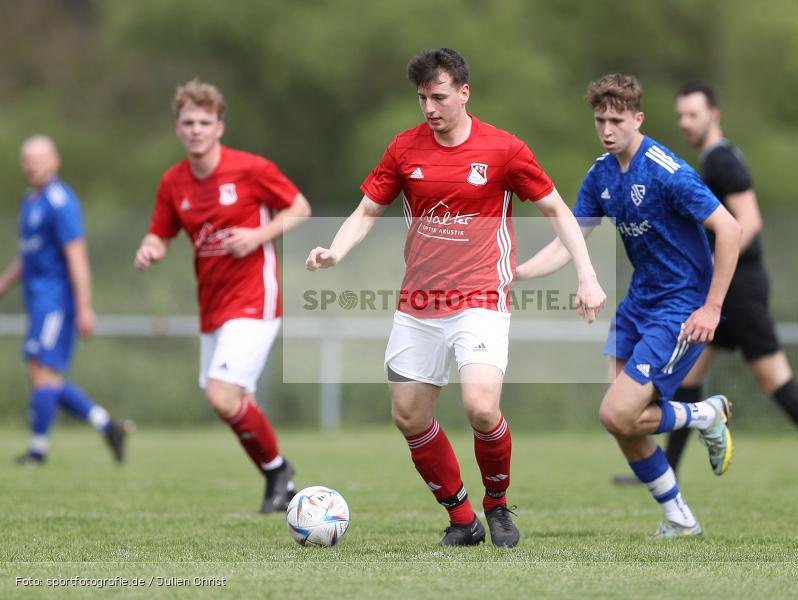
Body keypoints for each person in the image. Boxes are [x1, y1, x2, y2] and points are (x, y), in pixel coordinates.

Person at [306, 48, 605, 547]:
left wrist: (587, 275)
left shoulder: (504, 150)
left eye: (438, 96)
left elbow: (557, 209)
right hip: (418, 304)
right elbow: (365, 212)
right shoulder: (404, 149)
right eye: (422, 98)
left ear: (464, 93)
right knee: (409, 415)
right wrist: (336, 251)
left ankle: (498, 504)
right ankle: (463, 519)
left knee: (482, 408)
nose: (429, 107)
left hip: (481, 298)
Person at [517, 74, 743, 537]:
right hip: (638, 304)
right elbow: (570, 240)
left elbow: (731, 229)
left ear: (637, 118)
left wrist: (712, 308)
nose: (606, 128)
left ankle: (705, 414)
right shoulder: (600, 174)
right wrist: (517, 273)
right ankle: (681, 519)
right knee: (624, 423)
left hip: (680, 307)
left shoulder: (666, 170)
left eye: (616, 119)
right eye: (600, 119)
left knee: (615, 413)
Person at [625, 83, 798, 488]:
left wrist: (712, 272)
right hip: (723, 290)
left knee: (774, 378)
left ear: (714, 114)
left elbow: (749, 221)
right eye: (681, 115)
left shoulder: (722, 161)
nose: (685, 123)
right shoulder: (711, 160)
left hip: (740, 290)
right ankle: (664, 472)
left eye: (693, 114)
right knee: (687, 378)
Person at [133, 79, 312, 513]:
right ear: (178, 128)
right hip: (212, 305)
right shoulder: (173, 182)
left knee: (222, 394)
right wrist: (151, 247)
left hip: (255, 297)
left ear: (219, 127)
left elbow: (300, 208)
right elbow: (160, 232)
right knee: (235, 403)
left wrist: (257, 236)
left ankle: (277, 471)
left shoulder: (249, 169)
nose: (196, 129)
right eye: (188, 122)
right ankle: (278, 477)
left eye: (204, 122)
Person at [0, 135, 128, 465]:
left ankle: (37, 451)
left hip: (55, 302)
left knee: (41, 371)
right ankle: (107, 426)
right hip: (38, 301)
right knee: (45, 376)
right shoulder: (31, 200)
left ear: (55, 161)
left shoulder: (60, 201)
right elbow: (28, 256)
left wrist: (84, 307)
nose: (32, 166)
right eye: (27, 160)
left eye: (39, 159)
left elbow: (77, 256)